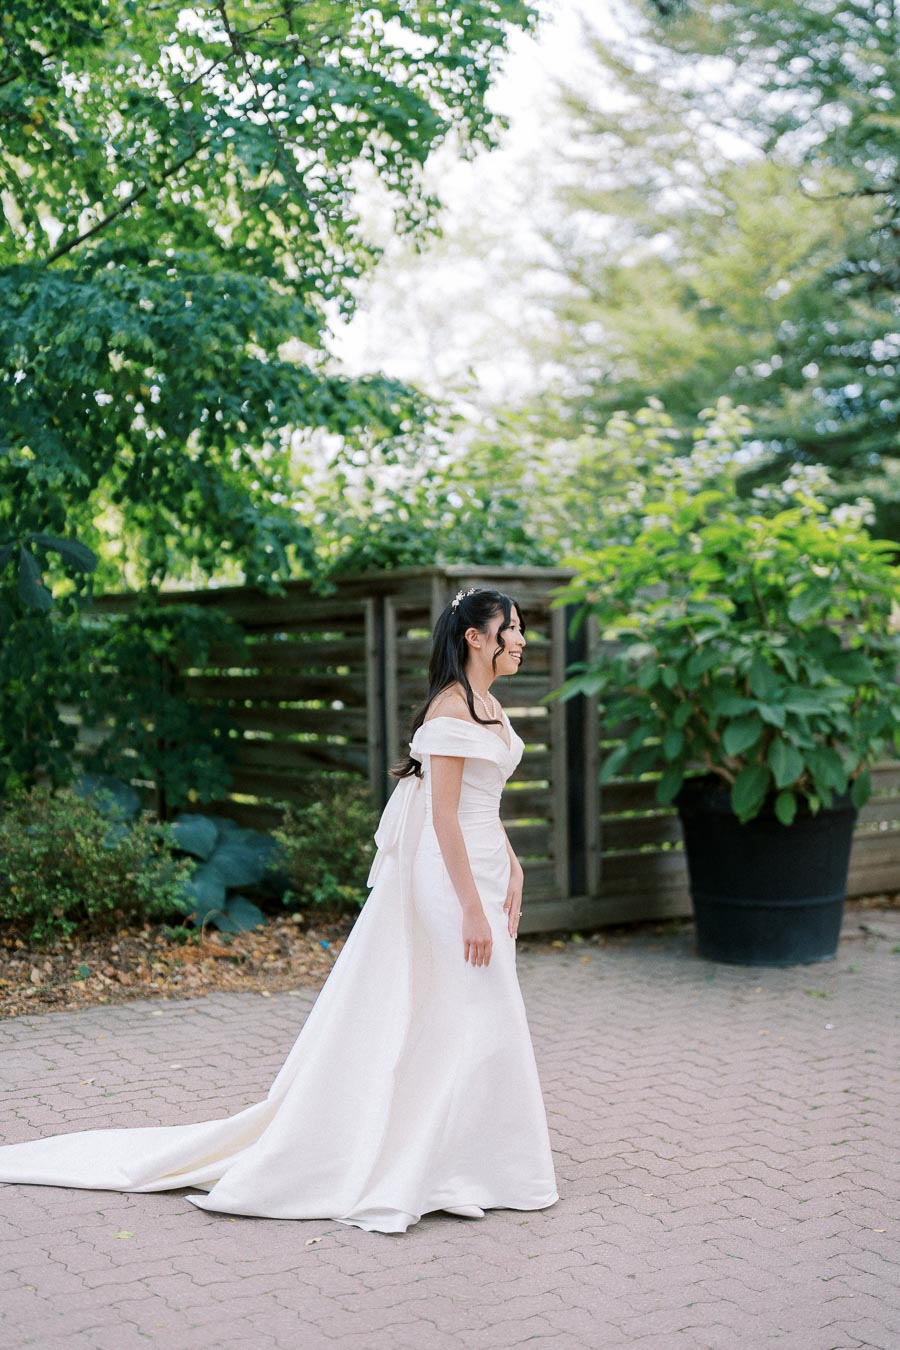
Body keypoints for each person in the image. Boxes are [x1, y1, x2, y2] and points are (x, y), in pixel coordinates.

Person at [0, 586, 558, 1233]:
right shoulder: (449, 711)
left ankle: (465, 1161)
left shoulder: (488, 705)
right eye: (512, 629)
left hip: (486, 869)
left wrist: (512, 864)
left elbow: (480, 806)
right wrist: (469, 907)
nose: (521, 640)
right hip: (451, 882)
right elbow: (442, 819)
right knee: (474, 1008)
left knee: (472, 1014)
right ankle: (427, 1162)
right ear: (476, 636)